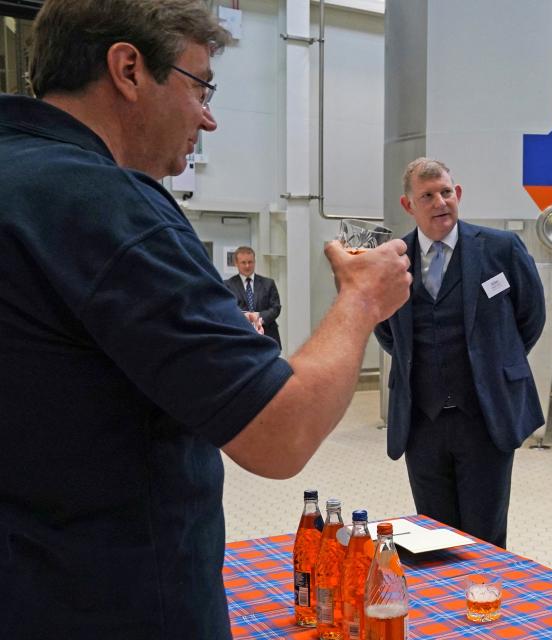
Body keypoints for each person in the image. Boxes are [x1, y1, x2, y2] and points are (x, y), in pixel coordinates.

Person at [0, 2, 411, 638]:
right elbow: (279, 434)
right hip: (112, 602)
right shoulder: (108, 206)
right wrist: (360, 299)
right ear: (129, 69)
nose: (209, 118)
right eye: (200, 86)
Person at [374, 157, 545, 549]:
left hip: (486, 418)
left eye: (446, 192)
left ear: (459, 194)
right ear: (408, 205)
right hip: (422, 422)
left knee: (484, 537)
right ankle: (441, 609)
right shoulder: (393, 260)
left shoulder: (500, 249)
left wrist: (496, 364)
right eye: (428, 195)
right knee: (432, 538)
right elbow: (386, 330)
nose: (440, 202)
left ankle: (485, 607)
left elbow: (530, 316)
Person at [224, 246, 283, 347]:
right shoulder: (227, 285)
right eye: (243, 262)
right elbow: (227, 309)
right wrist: (248, 318)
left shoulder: (268, 283)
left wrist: (259, 317)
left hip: (268, 336)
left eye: (250, 262)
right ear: (236, 263)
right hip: (240, 338)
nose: (247, 266)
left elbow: (276, 308)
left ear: (254, 262)